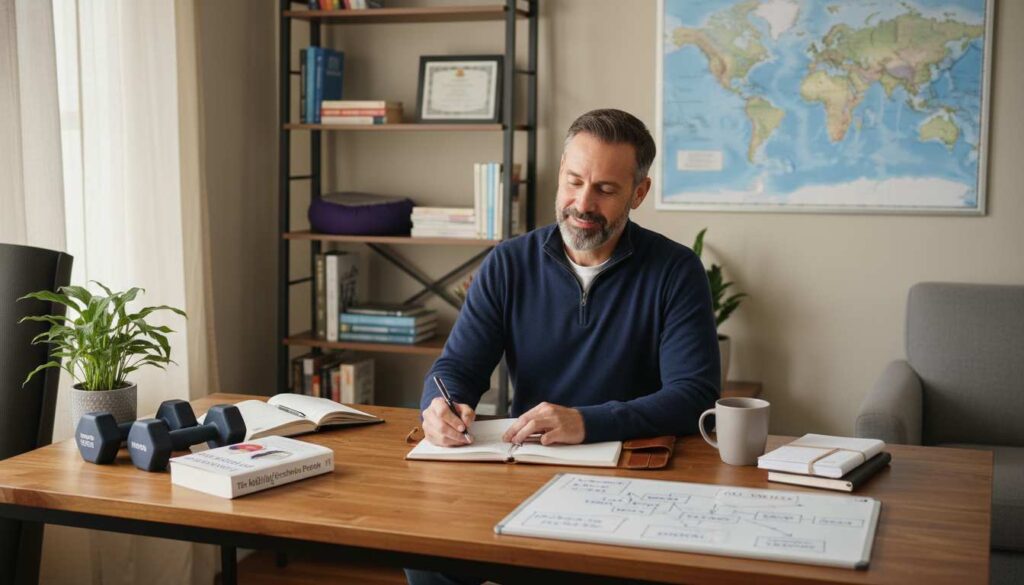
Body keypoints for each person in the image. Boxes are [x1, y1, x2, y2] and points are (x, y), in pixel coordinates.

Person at [405, 109, 720, 585]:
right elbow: (457, 368)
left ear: (639, 193)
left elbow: (694, 395)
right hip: (524, 466)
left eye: (605, 189)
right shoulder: (508, 263)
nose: (582, 203)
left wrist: (587, 421)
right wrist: (438, 405)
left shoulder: (675, 271)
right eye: (574, 182)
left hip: (631, 475)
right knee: (427, 555)